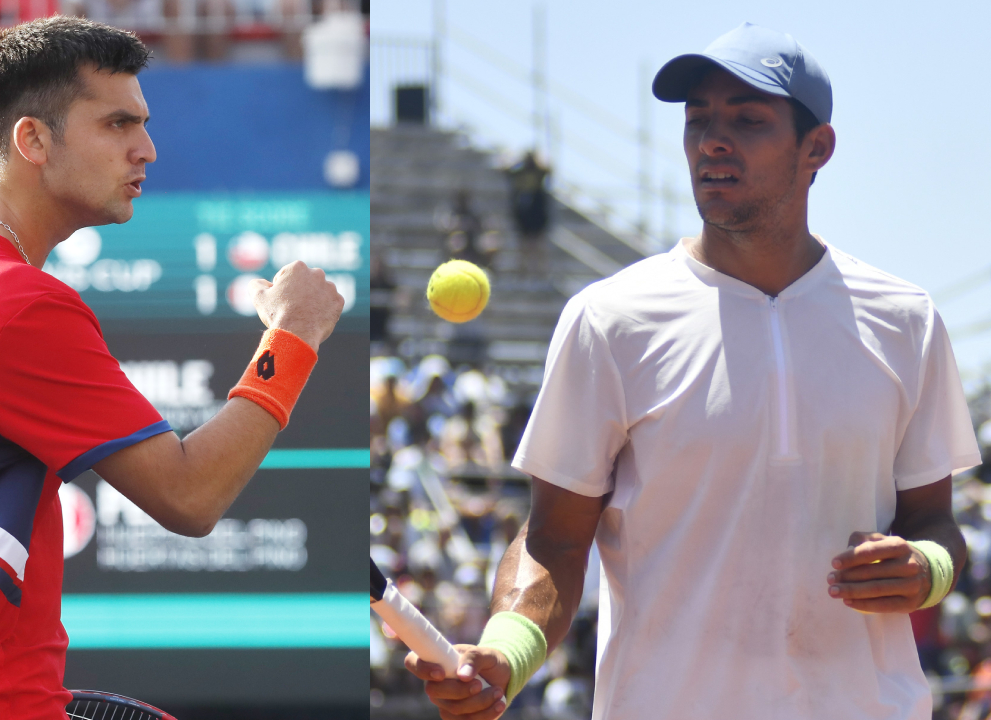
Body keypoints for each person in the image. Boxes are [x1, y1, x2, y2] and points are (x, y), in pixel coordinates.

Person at [405, 22, 979, 720]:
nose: (712, 140)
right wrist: (507, 652)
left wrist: (926, 569)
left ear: (817, 149)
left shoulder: (907, 320)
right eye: (698, 119)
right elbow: (556, 536)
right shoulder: (607, 319)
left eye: (747, 120)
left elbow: (935, 522)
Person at [0, 16, 343, 719]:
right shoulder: (15, 307)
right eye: (117, 125)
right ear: (33, 140)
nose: (147, 149)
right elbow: (191, 495)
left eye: (141, 123)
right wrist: (293, 338)